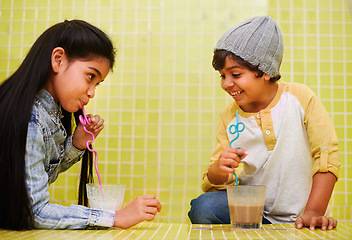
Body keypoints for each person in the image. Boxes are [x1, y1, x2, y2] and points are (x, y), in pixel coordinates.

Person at [0, 19, 161, 230]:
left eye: (97, 83)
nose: (92, 92)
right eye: (90, 76)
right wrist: (114, 217)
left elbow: (37, 178)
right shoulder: (31, 117)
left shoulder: (46, 114)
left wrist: (76, 144)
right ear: (58, 60)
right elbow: (35, 211)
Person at [188, 16, 340, 231]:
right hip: (253, 214)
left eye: (236, 74)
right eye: (222, 76)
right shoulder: (229, 115)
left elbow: (326, 156)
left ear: (266, 71)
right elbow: (215, 182)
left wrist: (314, 212)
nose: (227, 84)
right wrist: (219, 169)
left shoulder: (300, 97)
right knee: (202, 206)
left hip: (303, 216)